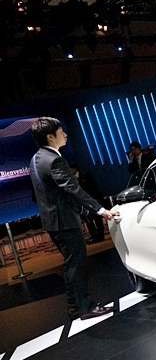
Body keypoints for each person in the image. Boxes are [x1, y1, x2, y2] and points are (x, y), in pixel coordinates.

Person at [29, 117, 117, 320]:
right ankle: (86, 307)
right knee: (77, 265)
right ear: (50, 137)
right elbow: (73, 189)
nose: (65, 134)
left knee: (70, 265)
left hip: (52, 222)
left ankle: (74, 305)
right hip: (65, 222)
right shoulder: (55, 160)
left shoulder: (36, 159)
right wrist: (100, 210)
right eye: (61, 131)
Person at [68, 162, 105, 244]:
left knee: (97, 219)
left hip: (92, 199)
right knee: (88, 220)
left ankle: (100, 236)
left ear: (74, 168)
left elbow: (93, 187)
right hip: (82, 203)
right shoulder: (71, 179)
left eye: (69, 169)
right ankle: (93, 236)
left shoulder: (85, 175)